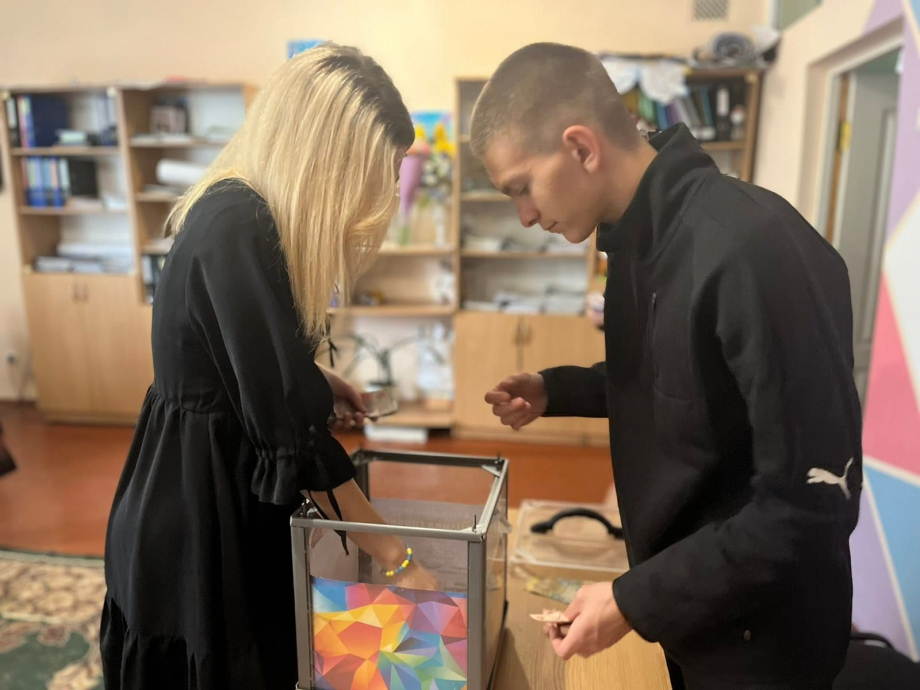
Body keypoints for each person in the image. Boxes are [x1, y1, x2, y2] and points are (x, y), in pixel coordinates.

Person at [473, 43, 862, 690]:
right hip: (692, 608)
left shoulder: (753, 248)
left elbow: (809, 506)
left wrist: (632, 601)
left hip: (764, 642)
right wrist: (554, 390)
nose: (526, 215)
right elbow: (674, 383)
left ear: (581, 147)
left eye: (522, 188)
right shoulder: (634, 243)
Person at [101, 43, 435, 690]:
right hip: (197, 514)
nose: (385, 190)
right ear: (328, 160)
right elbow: (291, 436)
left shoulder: (241, 214)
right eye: (381, 170)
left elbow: (236, 363)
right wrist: (398, 560)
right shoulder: (239, 226)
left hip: (208, 488)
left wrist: (319, 381)